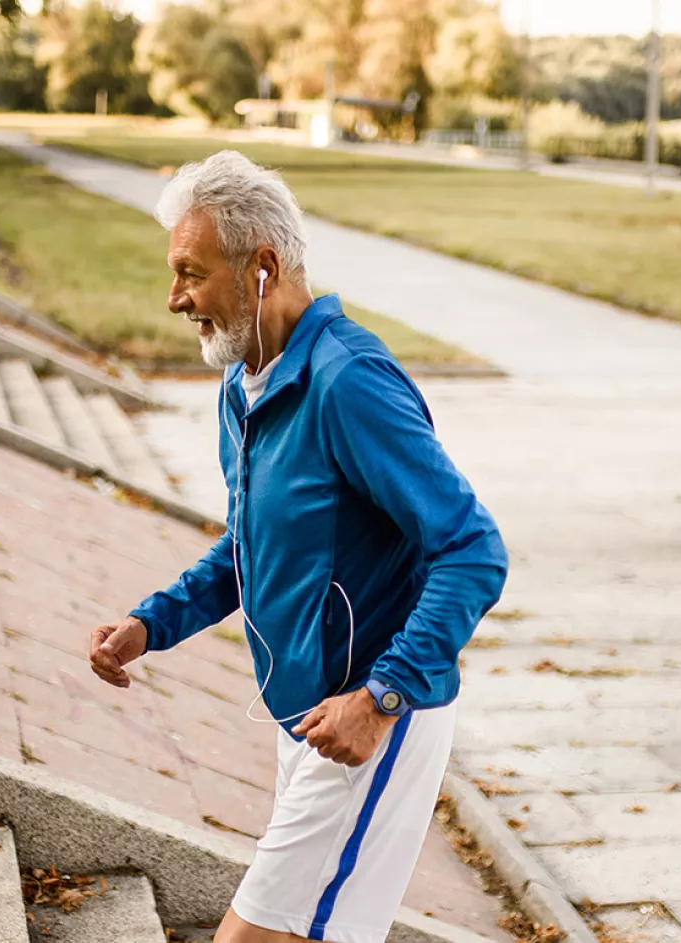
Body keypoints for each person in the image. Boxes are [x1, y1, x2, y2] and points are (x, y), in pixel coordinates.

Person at [86, 151, 507, 943]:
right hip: (311, 718)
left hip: (373, 718)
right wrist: (152, 623)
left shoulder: (349, 382)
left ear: (262, 268)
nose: (174, 297)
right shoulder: (244, 384)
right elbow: (249, 546)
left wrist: (381, 699)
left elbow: (473, 549)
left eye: (190, 272)